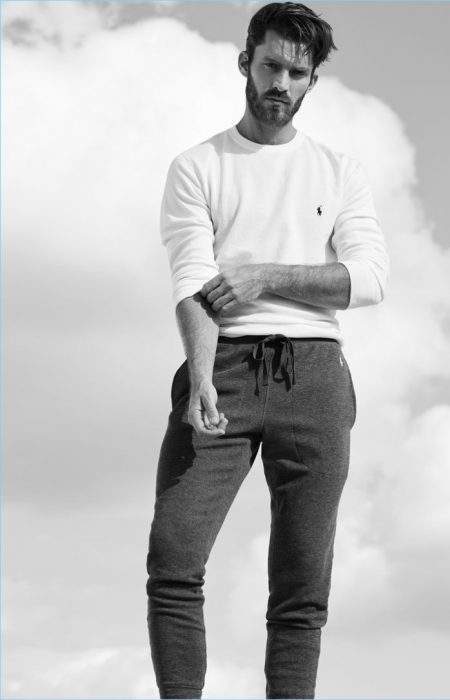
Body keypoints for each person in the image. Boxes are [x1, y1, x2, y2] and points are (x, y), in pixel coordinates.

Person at [146, 2, 389, 698]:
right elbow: (192, 280)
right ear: (245, 62)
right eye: (271, 65)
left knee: (301, 587)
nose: (281, 83)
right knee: (174, 559)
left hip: (315, 379)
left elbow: (370, 280)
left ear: (312, 81)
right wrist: (199, 377)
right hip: (221, 366)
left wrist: (264, 276)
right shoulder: (198, 166)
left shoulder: (338, 171)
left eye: (297, 73)